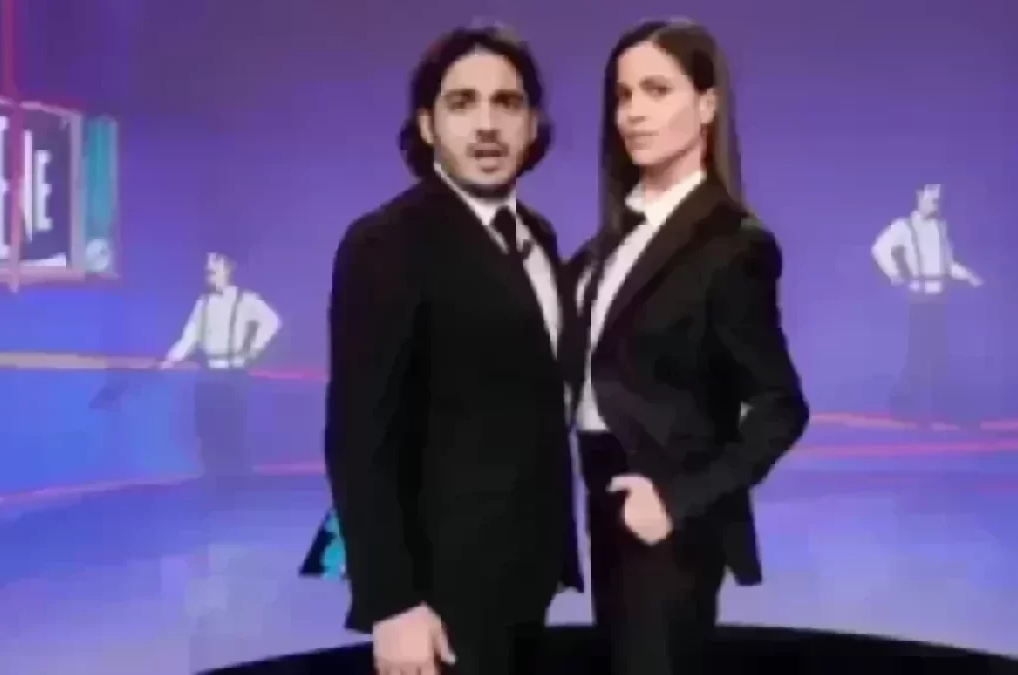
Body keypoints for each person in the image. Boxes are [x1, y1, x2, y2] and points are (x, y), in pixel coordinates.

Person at [320, 24, 581, 675]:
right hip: (436, 597)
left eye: (507, 103)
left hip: (525, 577)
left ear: (532, 125)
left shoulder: (540, 236)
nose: (487, 124)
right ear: (427, 125)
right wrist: (391, 603)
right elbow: (358, 438)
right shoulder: (387, 242)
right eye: (462, 103)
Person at [564, 19, 810, 675]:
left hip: (671, 521)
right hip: (601, 497)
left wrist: (676, 500)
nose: (633, 112)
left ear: (706, 104)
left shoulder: (731, 244)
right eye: (622, 95)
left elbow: (782, 407)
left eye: (657, 90)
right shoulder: (604, 245)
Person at [160, 249, 281, 480]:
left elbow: (272, 321)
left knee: (232, 433)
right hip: (208, 374)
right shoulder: (203, 303)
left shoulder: (246, 299)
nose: (209, 268)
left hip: (233, 375)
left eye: (215, 262)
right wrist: (170, 359)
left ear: (229, 267)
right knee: (207, 433)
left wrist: (252, 351)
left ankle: (235, 484)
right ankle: (212, 481)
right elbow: (189, 337)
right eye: (208, 263)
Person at [870, 183, 982, 423]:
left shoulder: (940, 228)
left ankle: (942, 408)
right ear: (919, 196)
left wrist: (967, 275)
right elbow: (879, 249)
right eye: (932, 197)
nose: (936, 202)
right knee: (918, 357)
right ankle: (904, 408)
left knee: (940, 356)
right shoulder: (904, 226)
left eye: (938, 198)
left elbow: (947, 264)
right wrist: (895, 275)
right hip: (918, 300)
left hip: (938, 299)